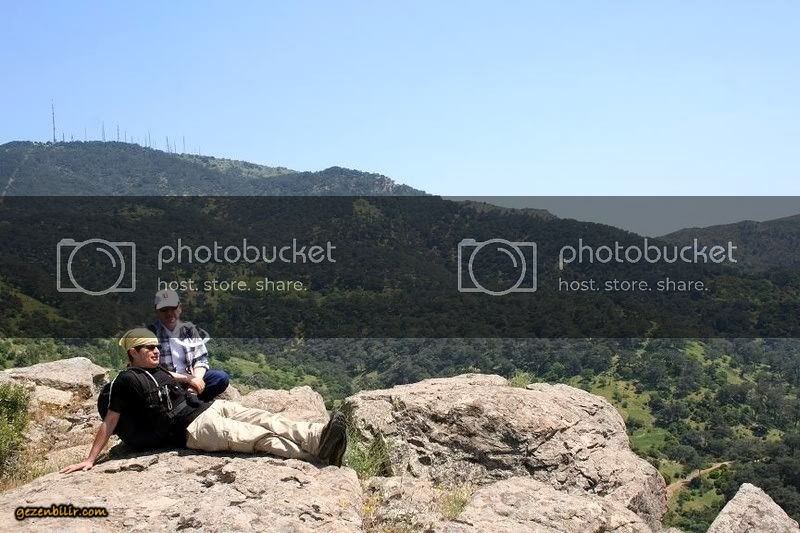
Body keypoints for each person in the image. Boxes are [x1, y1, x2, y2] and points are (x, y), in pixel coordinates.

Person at [60, 328, 347, 474]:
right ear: (132, 353)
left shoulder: (158, 370)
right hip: (193, 430)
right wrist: (90, 459)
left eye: (156, 347)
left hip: (208, 408)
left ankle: (319, 435)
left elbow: (177, 375)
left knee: (265, 418)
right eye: (147, 348)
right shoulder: (126, 380)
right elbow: (110, 421)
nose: (155, 351)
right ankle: (315, 457)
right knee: (259, 437)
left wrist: (190, 379)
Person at [148, 289, 229, 401]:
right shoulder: (150, 334)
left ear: (180, 308)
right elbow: (153, 371)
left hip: (190, 380)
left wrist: (195, 383)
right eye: (164, 309)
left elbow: (201, 359)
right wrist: (187, 379)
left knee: (220, 377)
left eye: (173, 308)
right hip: (166, 382)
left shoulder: (189, 330)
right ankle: (188, 403)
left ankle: (192, 400)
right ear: (157, 311)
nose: (169, 313)